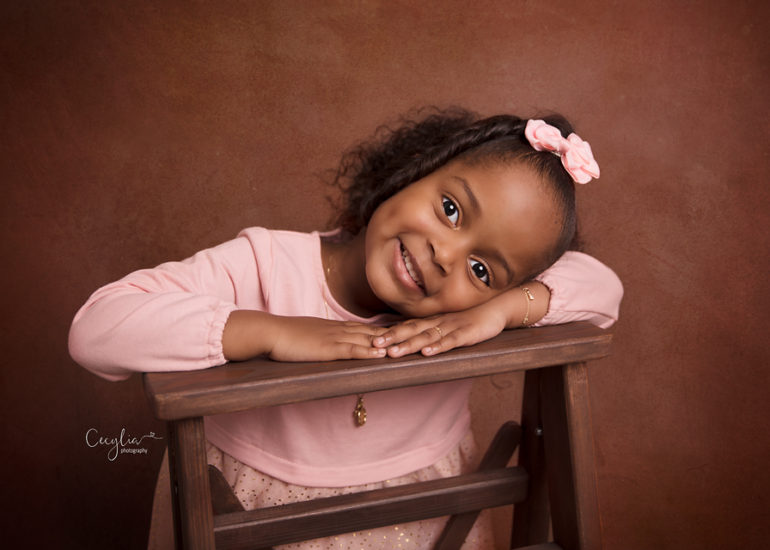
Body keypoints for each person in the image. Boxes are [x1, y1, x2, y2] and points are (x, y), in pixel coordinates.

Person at [69, 108, 623, 549]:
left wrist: (498, 310)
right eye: (451, 209)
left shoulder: (468, 312)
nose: (445, 254)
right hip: (251, 515)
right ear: (415, 168)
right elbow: (97, 329)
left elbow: (603, 288)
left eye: (481, 269)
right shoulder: (265, 265)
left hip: (430, 524)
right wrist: (270, 332)